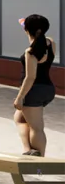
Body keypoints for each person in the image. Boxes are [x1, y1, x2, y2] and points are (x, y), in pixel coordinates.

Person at [14, 14, 56, 157]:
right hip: (48, 89)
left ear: (27, 30)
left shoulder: (30, 52)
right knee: (19, 118)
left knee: (36, 128)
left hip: (33, 91)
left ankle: (39, 163)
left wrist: (20, 97)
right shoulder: (50, 43)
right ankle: (28, 150)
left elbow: (30, 77)